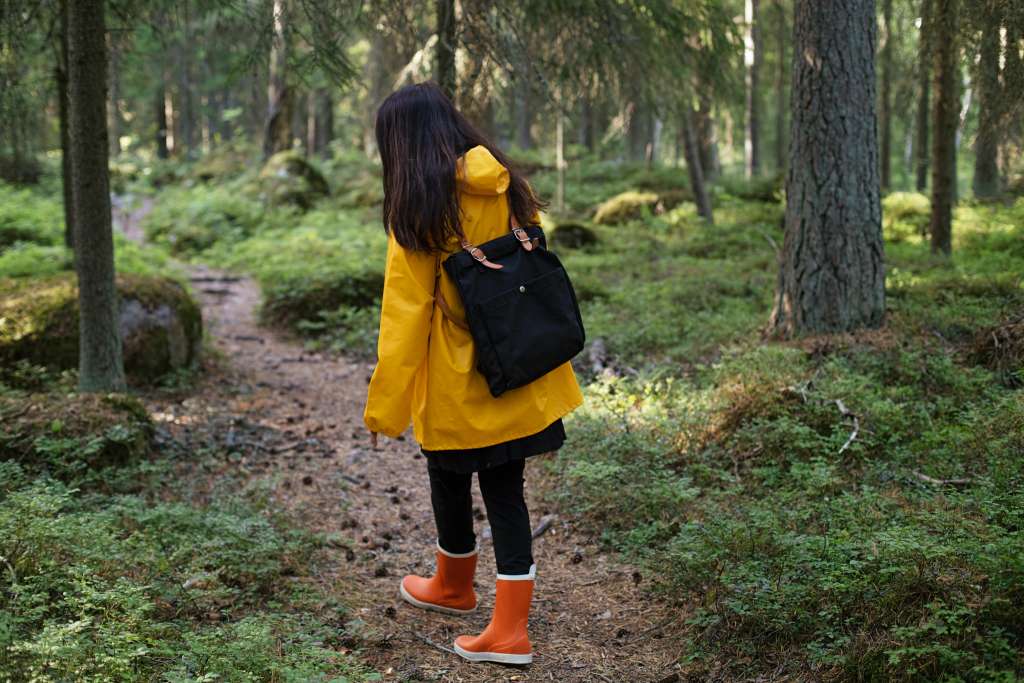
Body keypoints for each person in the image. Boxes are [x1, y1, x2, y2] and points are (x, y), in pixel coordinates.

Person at [363, 81, 583, 665]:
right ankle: (492, 612)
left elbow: (404, 317)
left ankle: (467, 596)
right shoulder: (504, 181)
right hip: (518, 364)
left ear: (400, 145)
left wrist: (385, 407)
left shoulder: (419, 210)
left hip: (458, 378)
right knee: (506, 491)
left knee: (447, 473)